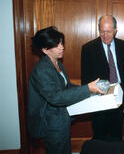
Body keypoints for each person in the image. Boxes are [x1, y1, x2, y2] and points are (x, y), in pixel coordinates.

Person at [27, 26, 104, 154]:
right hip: (52, 124)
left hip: (62, 120)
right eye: (56, 45)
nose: (62, 47)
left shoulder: (58, 64)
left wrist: (90, 90)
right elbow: (55, 97)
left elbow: (66, 87)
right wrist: (87, 89)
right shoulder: (41, 70)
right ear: (45, 50)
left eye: (61, 43)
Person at [81, 15, 124, 141]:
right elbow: (85, 78)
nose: (105, 35)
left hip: (119, 98)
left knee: (116, 136)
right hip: (99, 100)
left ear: (115, 30)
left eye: (108, 31)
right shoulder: (88, 48)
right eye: (102, 31)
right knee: (99, 137)